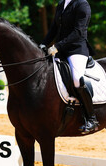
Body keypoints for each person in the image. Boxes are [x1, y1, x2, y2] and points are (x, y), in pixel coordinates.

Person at [39, 0, 98, 134]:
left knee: (77, 79)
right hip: (61, 50)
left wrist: (57, 46)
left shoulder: (82, 4)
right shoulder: (61, 4)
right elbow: (54, 27)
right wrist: (43, 44)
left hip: (76, 50)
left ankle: (91, 118)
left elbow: (78, 32)